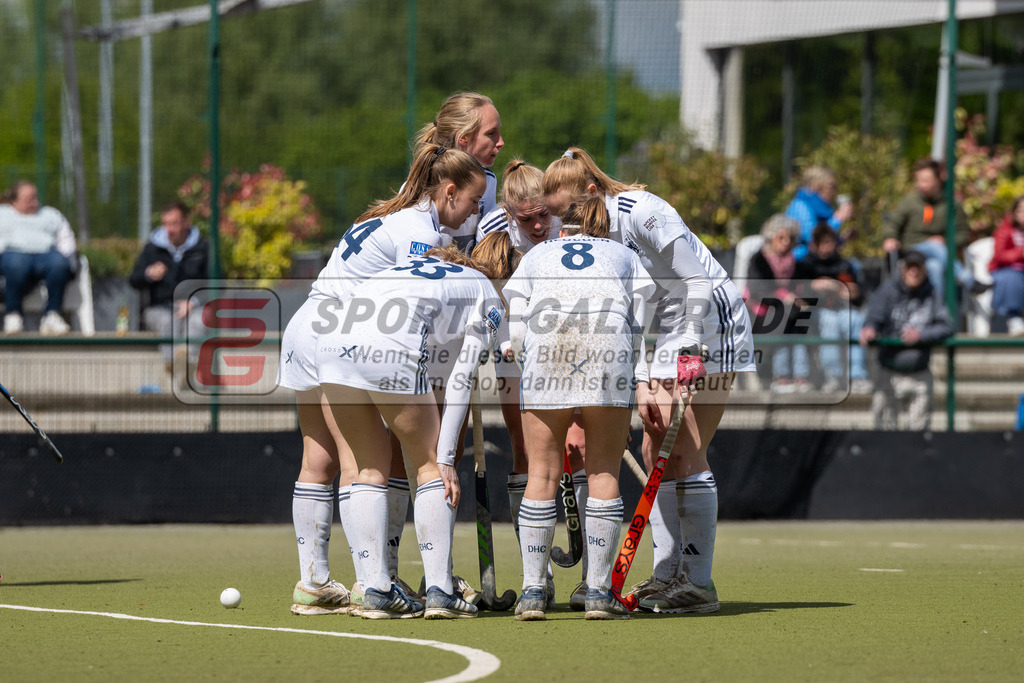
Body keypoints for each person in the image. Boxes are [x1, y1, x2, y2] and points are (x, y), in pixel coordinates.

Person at [543, 147, 756, 614]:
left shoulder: (642, 211)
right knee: (652, 445)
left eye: (571, 212)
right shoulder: (596, 237)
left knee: (684, 449)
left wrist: (691, 347)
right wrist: (639, 380)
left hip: (709, 321)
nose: (567, 226)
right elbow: (631, 313)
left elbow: (697, 280)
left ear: (593, 191)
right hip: (668, 327)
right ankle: (667, 573)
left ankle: (697, 582)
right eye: (560, 217)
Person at [276, 144, 486, 616]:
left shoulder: (389, 215)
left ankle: (314, 582)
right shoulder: (419, 232)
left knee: (318, 461)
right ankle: (375, 585)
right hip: (345, 330)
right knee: (363, 462)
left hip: (307, 324)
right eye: (473, 201)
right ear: (449, 191)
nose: (475, 213)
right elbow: (412, 297)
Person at [315, 242, 510, 619]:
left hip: (331, 343)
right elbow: (461, 379)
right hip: (387, 346)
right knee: (429, 466)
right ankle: (440, 591)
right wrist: (446, 458)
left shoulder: (408, 269)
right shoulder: (486, 290)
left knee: (370, 467)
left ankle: (376, 590)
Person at [502, 197, 656, 620]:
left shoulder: (537, 255)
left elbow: (517, 323)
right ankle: (598, 594)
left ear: (561, 225)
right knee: (604, 472)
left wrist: (528, 361)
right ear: (602, 226)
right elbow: (638, 325)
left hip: (547, 351)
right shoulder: (623, 254)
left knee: (541, 474)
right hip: (608, 350)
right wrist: (639, 378)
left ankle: (533, 592)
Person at [859, 251, 953, 430]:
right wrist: (869, 328)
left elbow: (946, 326)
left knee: (918, 434)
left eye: (918, 268)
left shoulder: (932, 293)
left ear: (925, 270)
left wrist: (922, 335)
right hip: (888, 371)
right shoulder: (888, 290)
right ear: (902, 269)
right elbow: (874, 317)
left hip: (920, 372)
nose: (914, 272)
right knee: (884, 431)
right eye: (910, 267)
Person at [414, 92, 503, 253]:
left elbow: (485, 243)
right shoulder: (423, 182)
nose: (501, 142)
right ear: (463, 138)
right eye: (491, 133)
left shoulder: (488, 180)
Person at [129, 202, 209, 369]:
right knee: (168, 321)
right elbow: (134, 280)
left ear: (187, 222)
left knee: (198, 321)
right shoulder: (152, 249)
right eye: (166, 224)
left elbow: (217, 284)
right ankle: (174, 365)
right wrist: (148, 274)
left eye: (174, 223)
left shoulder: (203, 248)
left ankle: (185, 363)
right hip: (160, 308)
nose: (169, 229)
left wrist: (193, 302)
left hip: (194, 307)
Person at [796, 224, 871, 394]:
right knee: (829, 321)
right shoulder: (805, 265)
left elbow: (857, 293)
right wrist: (817, 286)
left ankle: (857, 376)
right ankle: (833, 377)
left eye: (831, 242)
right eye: (824, 242)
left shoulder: (844, 264)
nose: (828, 247)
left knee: (856, 319)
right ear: (815, 245)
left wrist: (853, 292)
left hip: (841, 309)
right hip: (814, 313)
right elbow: (800, 294)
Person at [883, 158, 974, 295]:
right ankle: (966, 278)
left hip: (939, 254)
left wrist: (945, 241)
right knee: (933, 246)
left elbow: (963, 233)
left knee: (935, 267)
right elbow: (893, 223)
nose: (922, 185)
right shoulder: (910, 201)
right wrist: (890, 237)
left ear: (938, 180)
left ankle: (936, 307)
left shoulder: (951, 204)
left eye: (926, 180)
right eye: (919, 180)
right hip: (912, 251)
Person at [0, 181, 76, 335]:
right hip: (13, 255)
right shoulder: (3, 215)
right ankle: (13, 314)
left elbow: (66, 239)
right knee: (16, 264)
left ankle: (52, 315)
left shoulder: (51, 215)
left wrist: (65, 255)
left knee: (59, 263)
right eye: (29, 199)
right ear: (14, 202)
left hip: (46, 256)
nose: (34, 202)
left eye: (35, 197)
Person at [746, 214, 810, 392]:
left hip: (788, 311)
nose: (786, 242)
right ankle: (781, 376)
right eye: (781, 237)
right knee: (782, 322)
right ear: (771, 237)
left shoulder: (794, 262)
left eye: (790, 238)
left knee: (799, 325)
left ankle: (801, 376)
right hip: (760, 311)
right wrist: (783, 296)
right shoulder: (759, 260)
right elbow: (757, 291)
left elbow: (801, 286)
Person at [783, 166, 853, 261]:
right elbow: (812, 239)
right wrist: (838, 219)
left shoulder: (824, 209)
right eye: (832, 186)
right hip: (802, 262)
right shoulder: (801, 206)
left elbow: (825, 244)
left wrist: (843, 238)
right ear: (816, 186)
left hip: (818, 261)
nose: (835, 190)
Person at [989, 195, 1024, 336]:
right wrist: (1020, 253)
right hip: (1005, 270)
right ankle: (1013, 317)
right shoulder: (1004, 230)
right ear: (1014, 212)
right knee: (1012, 278)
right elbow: (1000, 256)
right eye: (1021, 210)